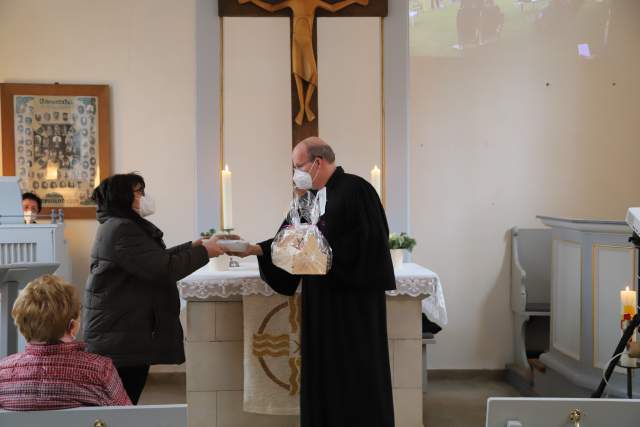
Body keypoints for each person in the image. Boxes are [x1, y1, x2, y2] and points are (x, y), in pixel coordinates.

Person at [229, 137, 395, 427]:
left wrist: (322, 256)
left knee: (356, 377)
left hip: (353, 305)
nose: (296, 174)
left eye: (298, 166)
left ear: (317, 162)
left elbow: (370, 246)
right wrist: (255, 249)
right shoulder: (307, 199)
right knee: (322, 374)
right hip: (321, 304)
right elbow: (289, 240)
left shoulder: (357, 191)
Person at [83, 173, 228, 404]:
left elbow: (153, 259)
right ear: (123, 197)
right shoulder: (122, 229)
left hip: (121, 328)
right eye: (139, 191)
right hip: (120, 333)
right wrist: (205, 253)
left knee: (123, 401)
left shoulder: (117, 225)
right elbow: (163, 268)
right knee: (122, 403)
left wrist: (195, 245)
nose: (144, 196)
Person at [0, 275, 131, 410]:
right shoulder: (100, 370)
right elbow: (128, 419)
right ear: (73, 326)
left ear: (22, 327)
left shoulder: (2, 372)